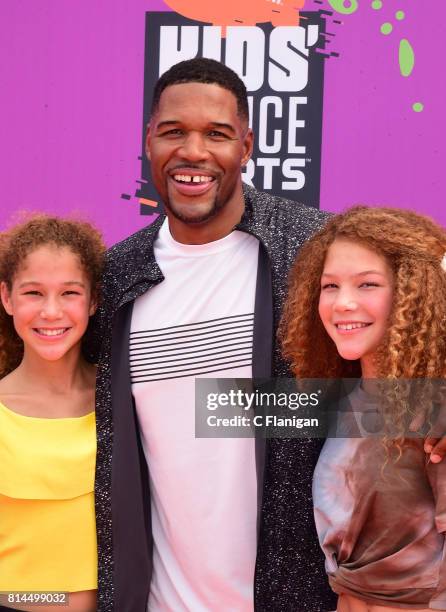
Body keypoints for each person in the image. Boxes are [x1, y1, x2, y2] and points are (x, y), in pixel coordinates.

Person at [90, 57, 337, 611]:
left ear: (246, 146)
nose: (194, 152)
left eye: (217, 134)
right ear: (148, 141)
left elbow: (398, 395)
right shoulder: (115, 276)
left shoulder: (316, 248)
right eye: (173, 132)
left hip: (299, 598)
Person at [279, 206, 446, 611]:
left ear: (413, 292)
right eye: (330, 286)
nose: (343, 303)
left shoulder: (432, 407)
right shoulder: (345, 399)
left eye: (367, 284)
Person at [0, 215, 105, 612]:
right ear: (7, 298)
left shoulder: (126, 403)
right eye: (33, 293)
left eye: (69, 293)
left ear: (93, 300)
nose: (50, 311)